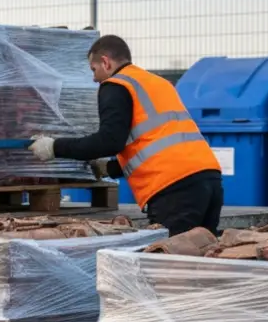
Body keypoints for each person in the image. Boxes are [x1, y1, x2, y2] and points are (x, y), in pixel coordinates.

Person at [28, 34, 225, 235]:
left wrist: (54, 147)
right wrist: (109, 168)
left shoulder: (116, 86)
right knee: (200, 256)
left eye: (94, 70)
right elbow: (155, 143)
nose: (95, 79)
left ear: (105, 62)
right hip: (209, 179)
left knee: (166, 259)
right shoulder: (158, 83)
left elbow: (109, 142)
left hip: (173, 190)